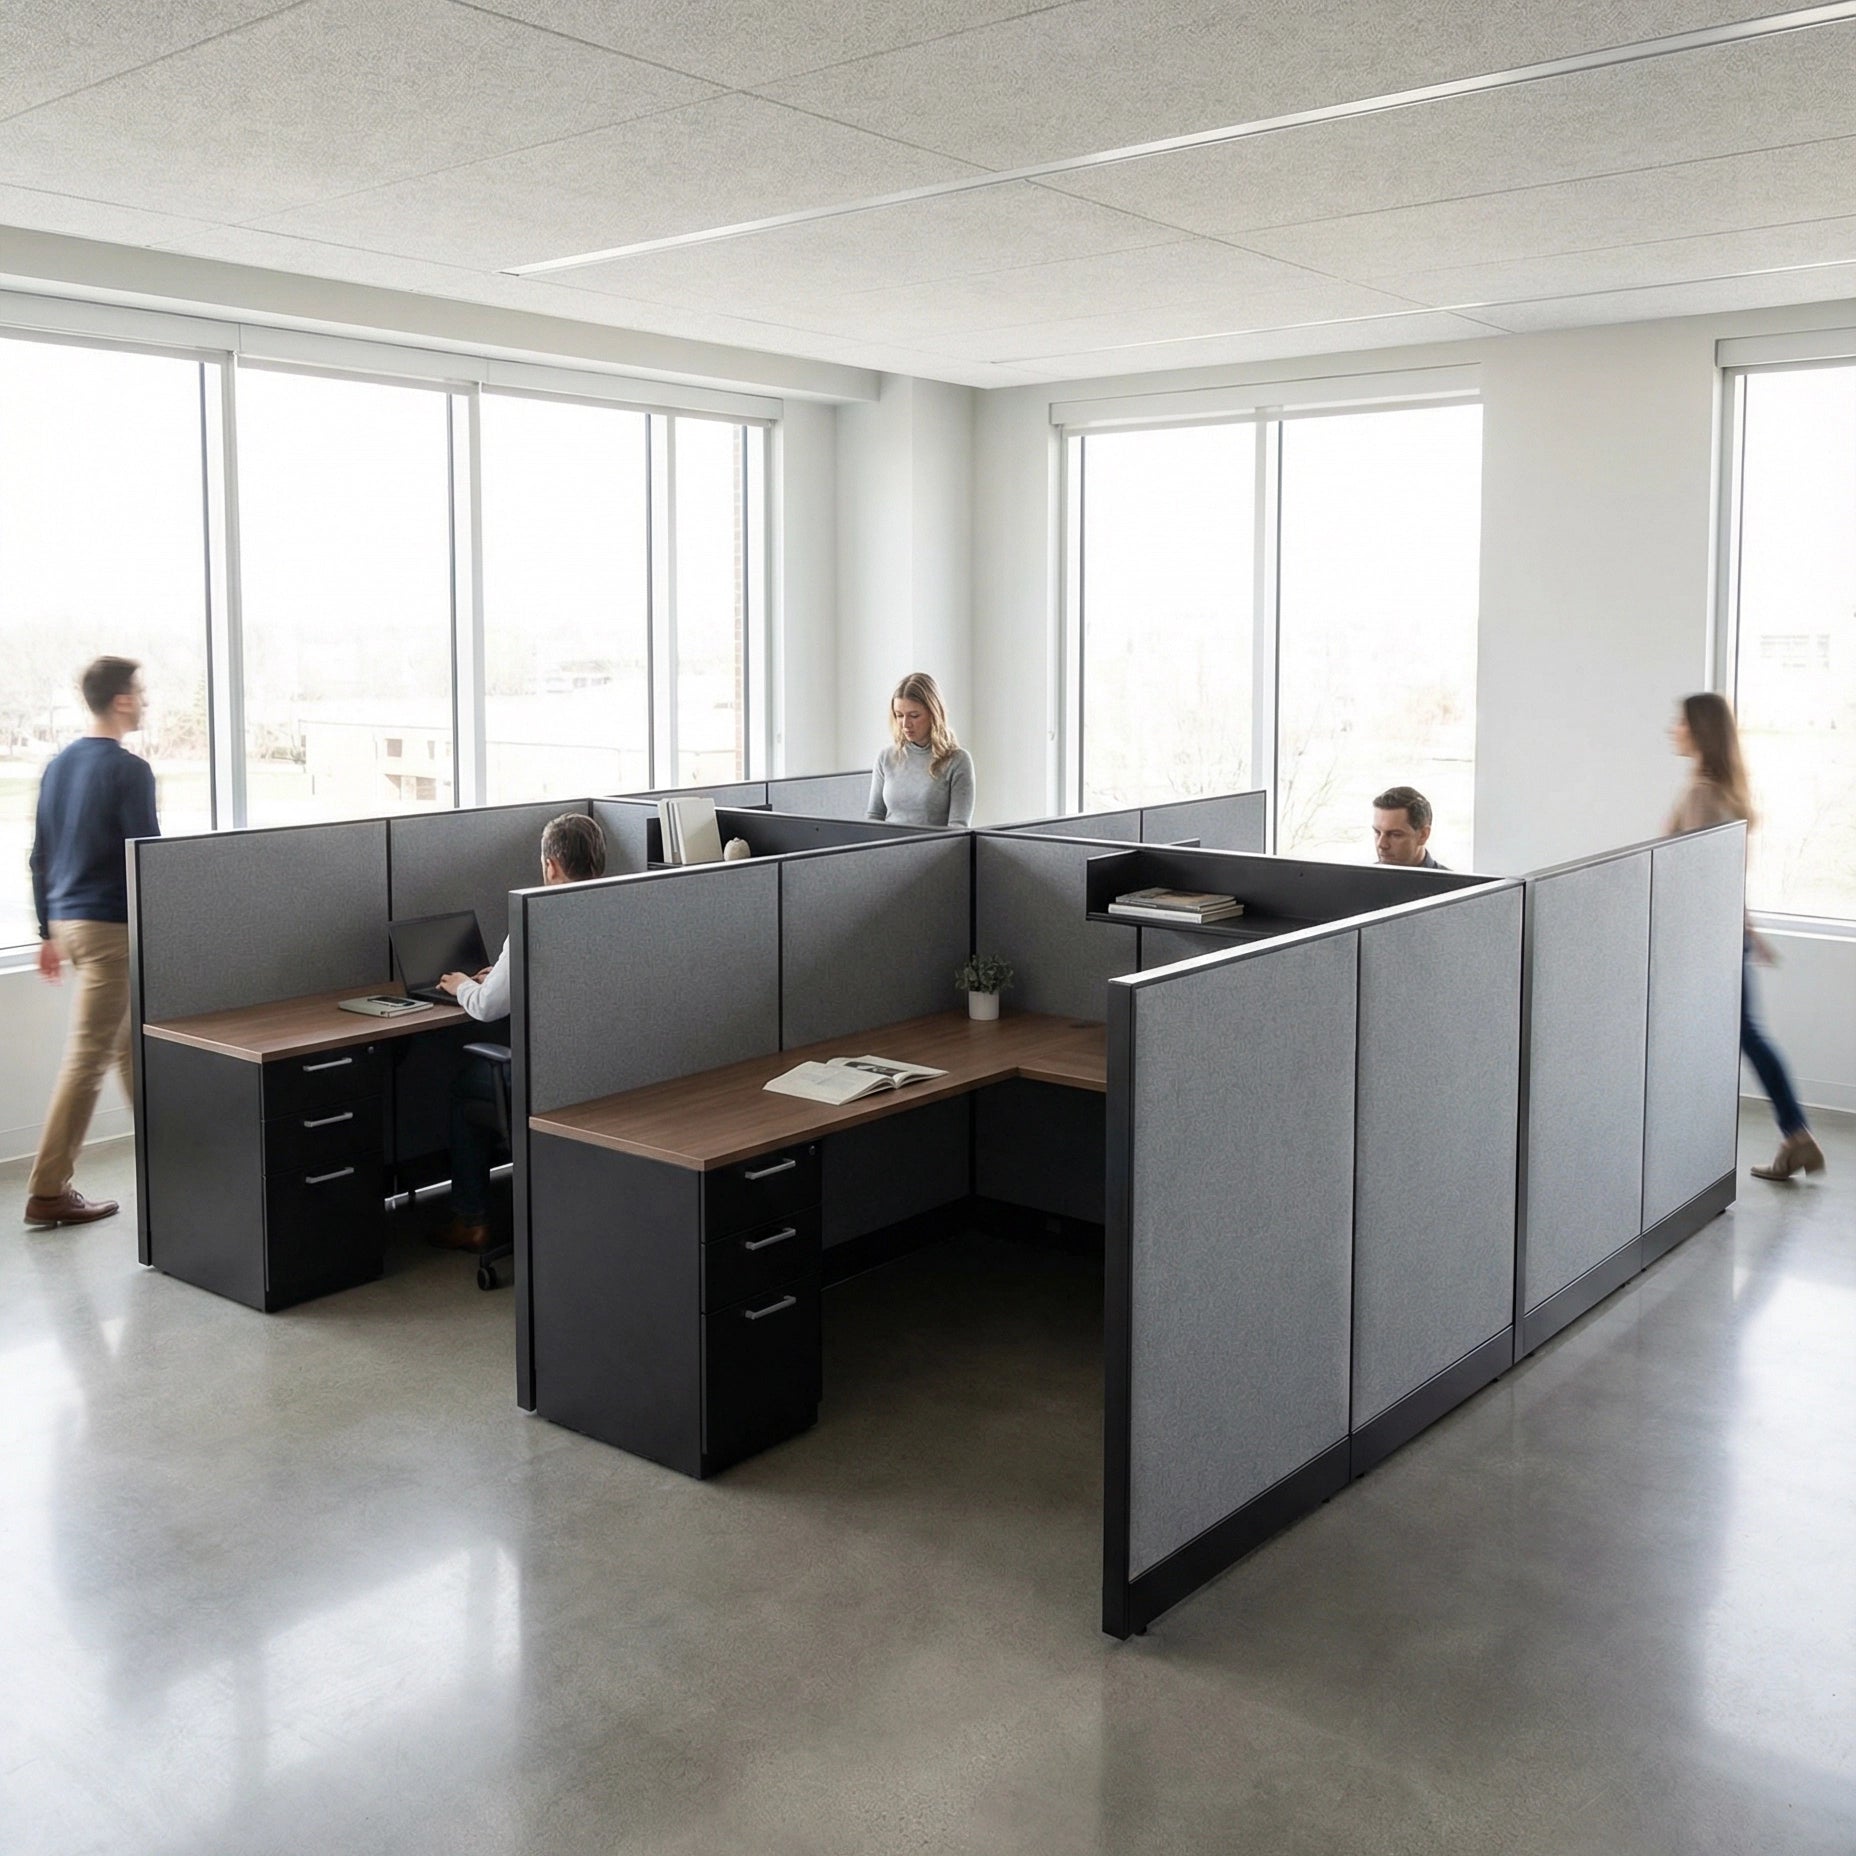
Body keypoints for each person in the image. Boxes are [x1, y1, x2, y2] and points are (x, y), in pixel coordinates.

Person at [1666, 691, 1825, 1183]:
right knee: (1744, 1036)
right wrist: (1749, 932)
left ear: (1700, 731)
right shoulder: (1724, 790)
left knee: (1722, 1038)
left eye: (1681, 722)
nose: (1674, 729)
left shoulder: (1700, 794)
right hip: (1725, 935)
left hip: (1706, 940)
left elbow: (1699, 878)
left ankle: (1786, 1137)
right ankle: (1795, 1138)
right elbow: (1728, 877)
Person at [25, 657, 161, 1228]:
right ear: (123, 701)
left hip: (71, 924)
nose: (145, 700)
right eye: (141, 692)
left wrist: (46, 932)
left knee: (129, 1047)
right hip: (111, 928)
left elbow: (40, 855)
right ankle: (49, 1189)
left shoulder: (59, 766)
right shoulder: (129, 770)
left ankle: (172, 1156)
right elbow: (147, 857)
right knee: (88, 1056)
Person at [431, 812, 607, 1250]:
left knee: (463, 1089)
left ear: (550, 865)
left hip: (546, 1082)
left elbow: (487, 1008)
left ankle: (471, 1220)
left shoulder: (535, 920)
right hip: (600, 1074)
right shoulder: (615, 908)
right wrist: (505, 974)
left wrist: (463, 985)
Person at [865, 672, 975, 828]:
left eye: (914, 715)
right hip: (888, 850)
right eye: (899, 715)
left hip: (935, 850)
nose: (905, 724)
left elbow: (958, 828)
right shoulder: (885, 757)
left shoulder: (958, 760)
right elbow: (874, 816)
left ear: (933, 714)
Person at [1371, 786, 1445, 868]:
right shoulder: (1359, 879)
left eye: (1395, 835)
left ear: (1423, 835)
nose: (1381, 844)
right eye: (1377, 832)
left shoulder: (1454, 880)